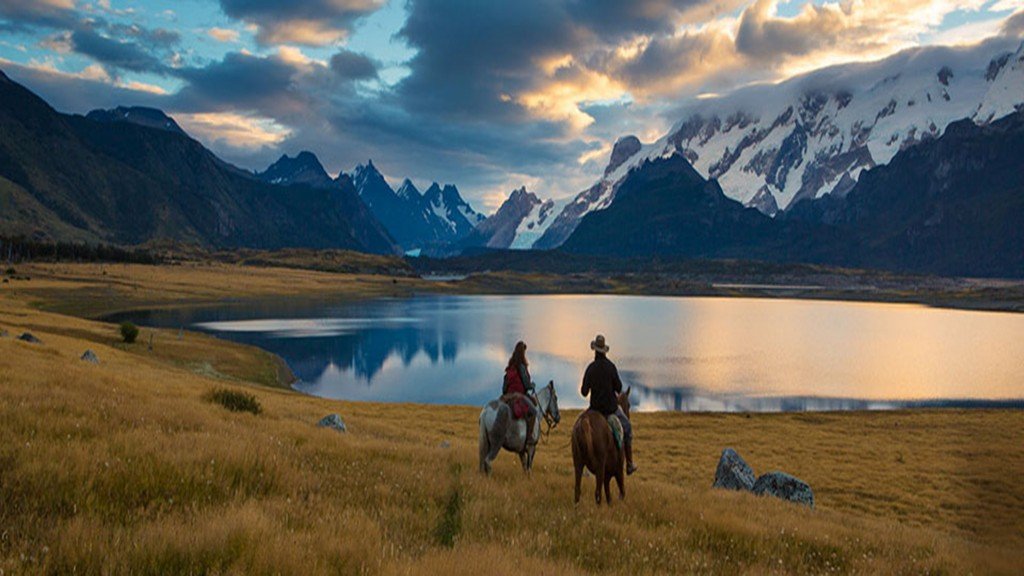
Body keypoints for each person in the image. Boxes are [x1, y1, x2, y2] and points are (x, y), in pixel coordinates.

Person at [581, 334, 636, 475]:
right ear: (604, 350)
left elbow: (584, 392)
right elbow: (619, 387)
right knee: (627, 428)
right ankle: (629, 463)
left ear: (594, 350)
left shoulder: (590, 368)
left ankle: (584, 464)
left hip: (594, 410)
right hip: (610, 410)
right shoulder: (611, 367)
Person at [502, 340, 538, 445]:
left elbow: (504, 388)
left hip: (507, 396)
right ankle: (529, 437)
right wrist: (532, 386)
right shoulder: (521, 367)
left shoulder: (510, 367)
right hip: (518, 395)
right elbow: (526, 385)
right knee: (534, 412)